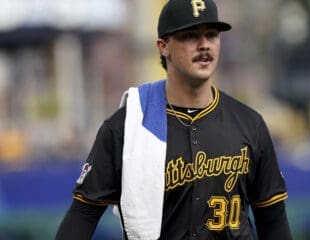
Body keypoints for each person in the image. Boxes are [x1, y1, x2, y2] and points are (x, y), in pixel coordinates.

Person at [55, 0, 292, 239]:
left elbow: (273, 220)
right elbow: (83, 215)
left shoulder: (250, 124)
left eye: (211, 35)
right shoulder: (129, 126)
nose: (204, 45)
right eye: (190, 36)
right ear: (163, 46)